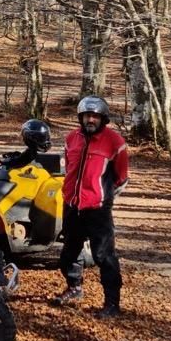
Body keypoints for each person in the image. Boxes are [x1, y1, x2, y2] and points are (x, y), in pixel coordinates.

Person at [51, 96, 129, 317]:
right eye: (87, 116)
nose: (90, 120)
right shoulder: (71, 139)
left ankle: (112, 303)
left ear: (103, 118)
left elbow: (121, 177)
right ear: (81, 117)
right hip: (72, 206)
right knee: (69, 252)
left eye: (95, 116)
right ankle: (74, 287)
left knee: (104, 255)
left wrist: (101, 197)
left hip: (98, 209)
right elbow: (69, 168)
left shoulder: (115, 142)